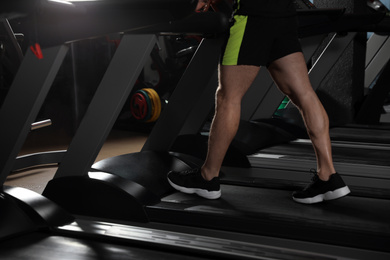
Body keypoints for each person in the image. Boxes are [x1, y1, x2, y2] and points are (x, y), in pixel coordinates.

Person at [167, 0, 351, 204]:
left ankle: (207, 177)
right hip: (285, 17)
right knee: (305, 94)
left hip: (252, 17)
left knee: (228, 98)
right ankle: (328, 176)